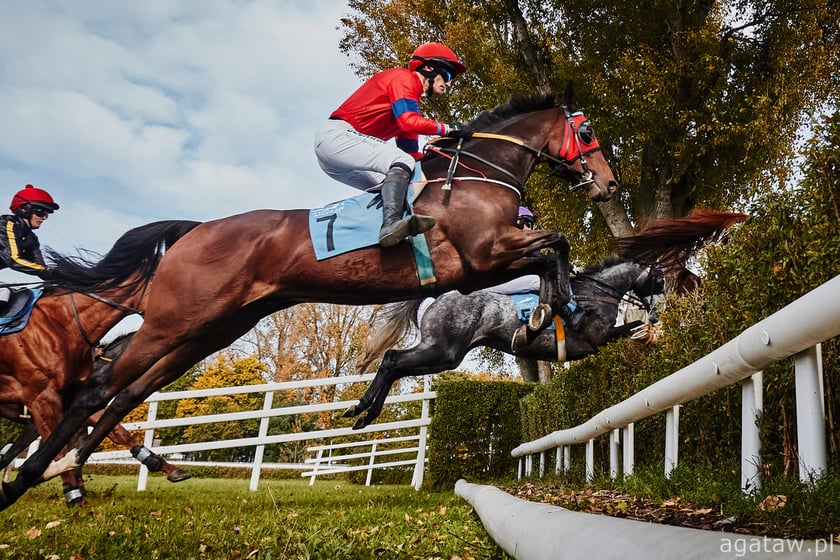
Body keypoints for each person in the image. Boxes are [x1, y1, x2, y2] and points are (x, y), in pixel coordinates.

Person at [314, 42, 474, 247]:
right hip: (337, 137)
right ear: (428, 68)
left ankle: (379, 238)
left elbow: (412, 154)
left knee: (403, 186)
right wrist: (450, 129)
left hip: (338, 152)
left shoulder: (409, 101)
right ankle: (390, 226)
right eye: (448, 75)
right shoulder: (405, 79)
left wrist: (439, 157)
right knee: (401, 162)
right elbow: (409, 122)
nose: (449, 84)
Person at [0, 184, 59, 304]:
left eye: (46, 214)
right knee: (3, 292)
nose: (44, 218)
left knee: (20, 293)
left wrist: (62, 277)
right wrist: (49, 271)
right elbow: (13, 259)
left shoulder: (32, 239)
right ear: (24, 209)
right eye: (40, 213)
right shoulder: (7, 224)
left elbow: (40, 267)